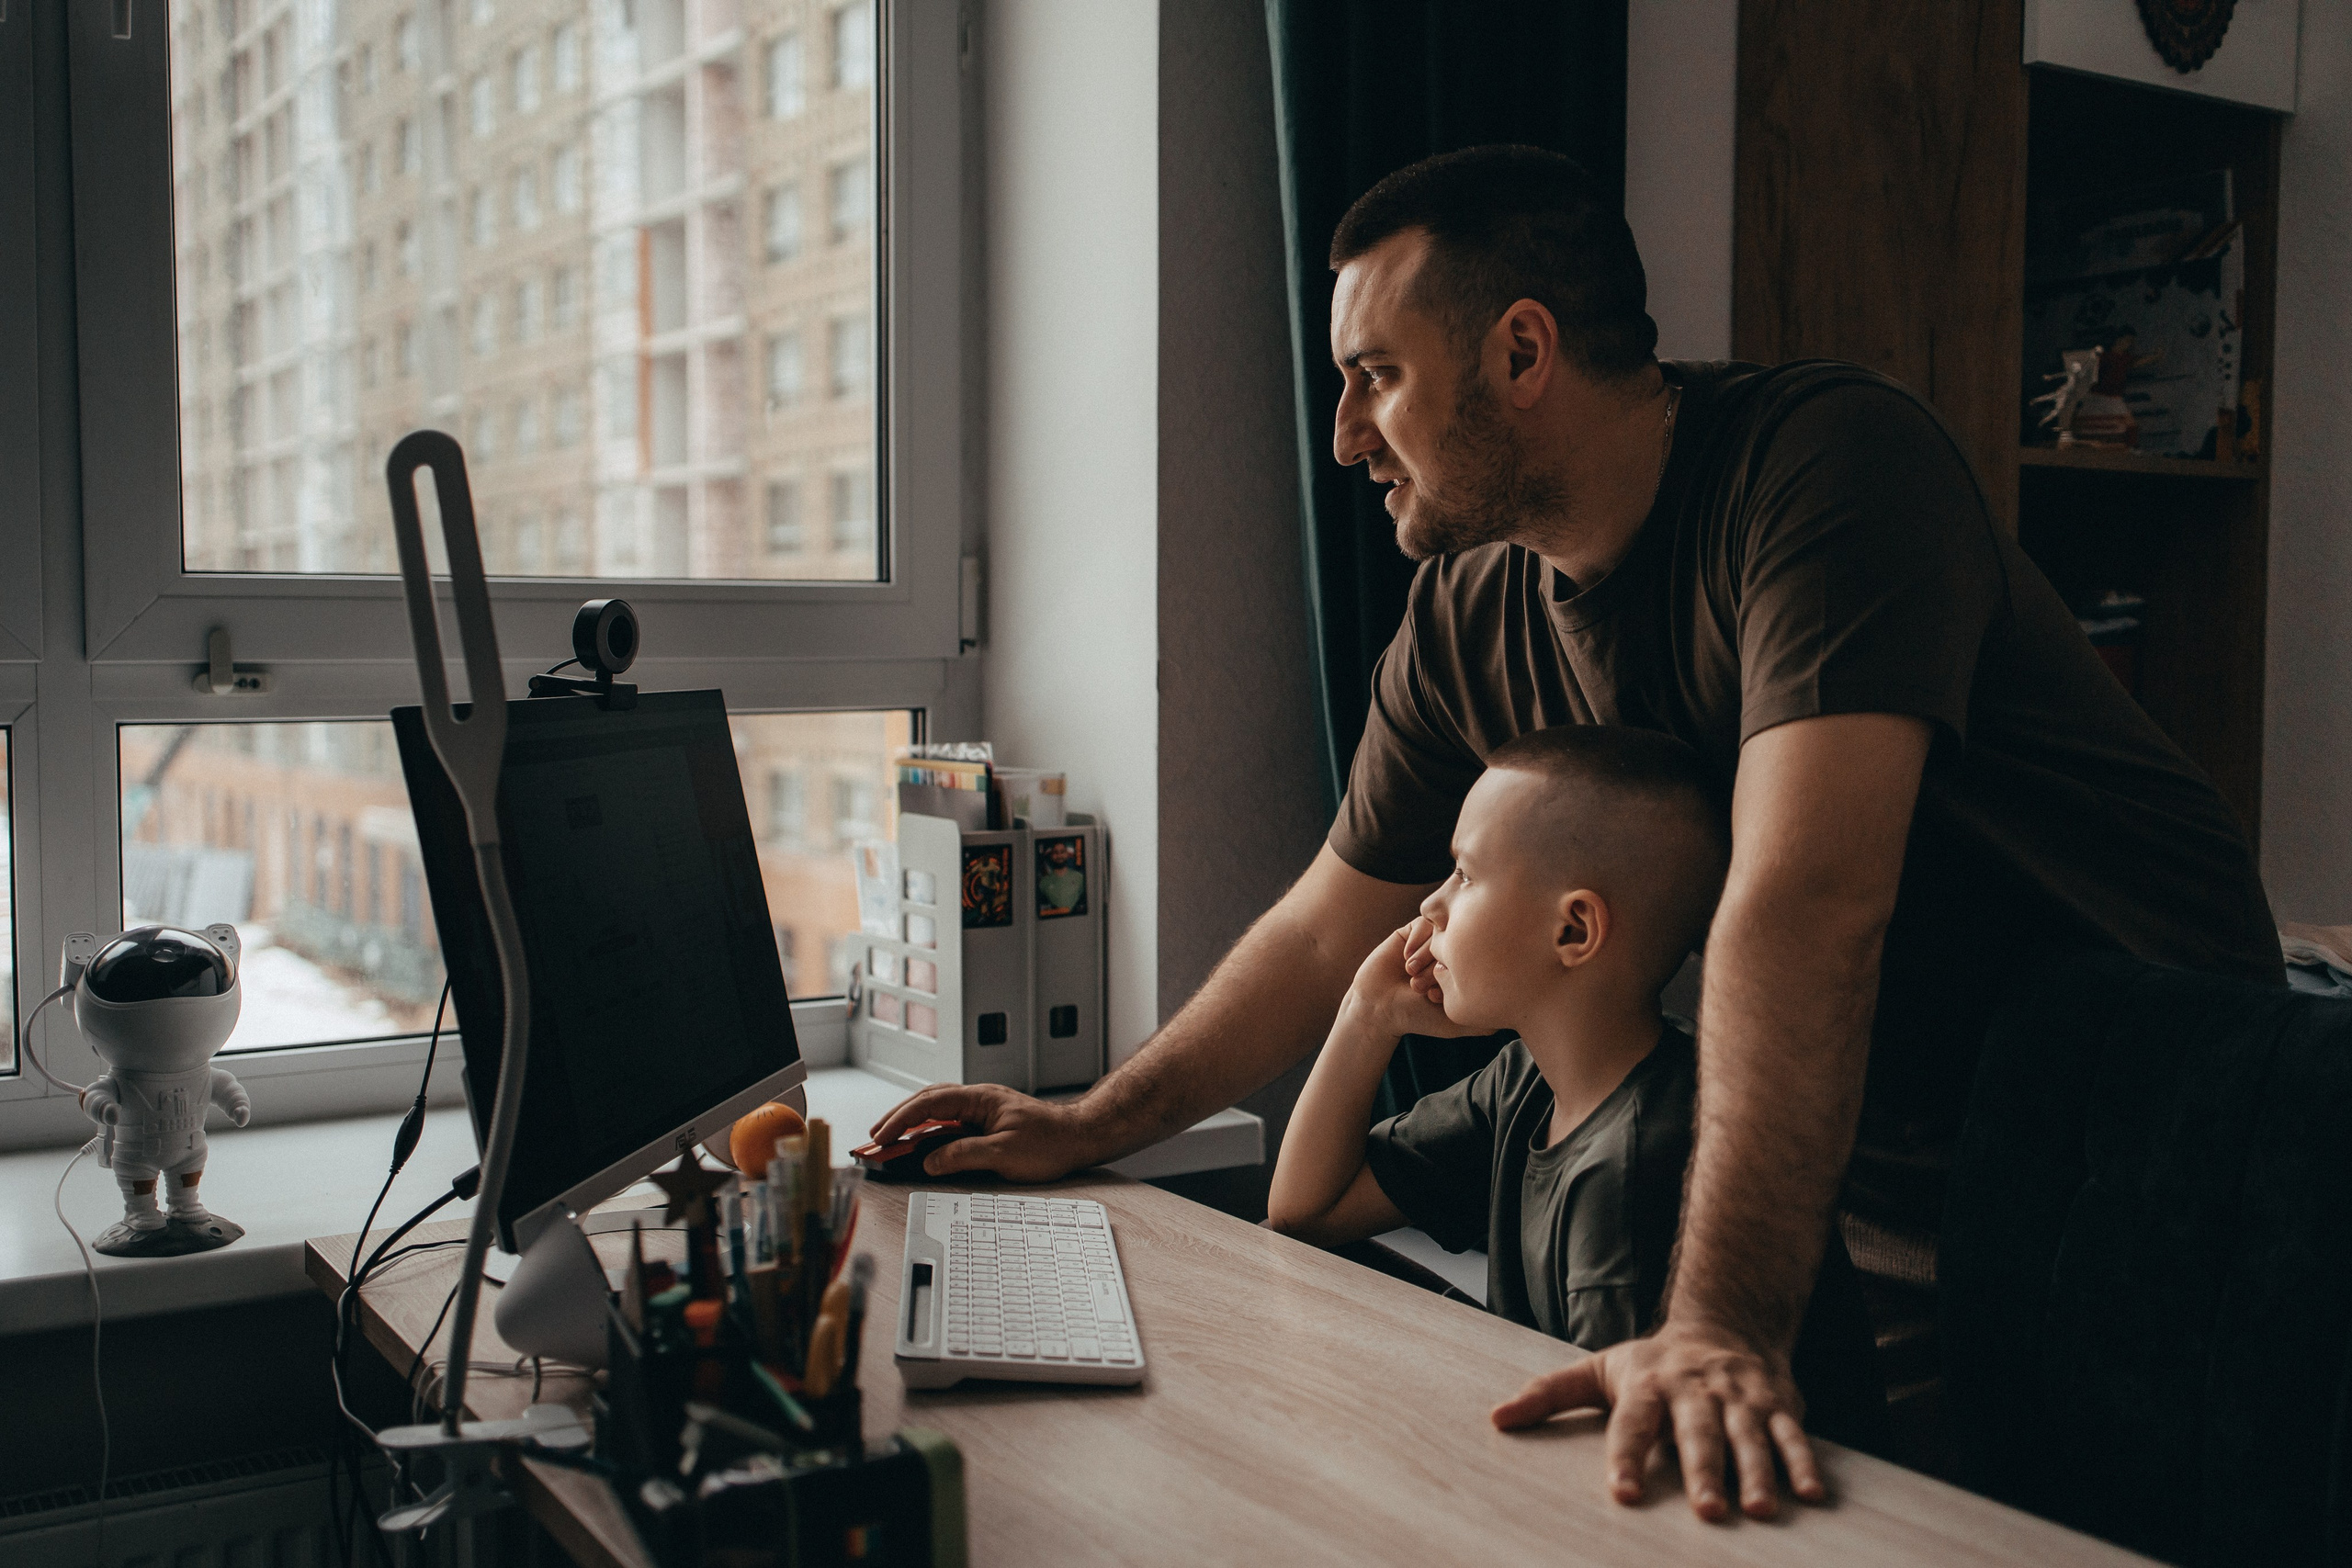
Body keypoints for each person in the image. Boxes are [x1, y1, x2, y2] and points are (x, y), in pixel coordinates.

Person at [871, 145, 2280, 1519]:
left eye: (1377, 377)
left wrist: (1718, 1320)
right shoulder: (1468, 612)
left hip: (2148, 1108)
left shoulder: (1829, 466)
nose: (1348, 433)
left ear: (1522, 352)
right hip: (1869, 1132)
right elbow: (1325, 922)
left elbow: (1803, 903)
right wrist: (1089, 1119)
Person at [1265, 727, 1887, 1453]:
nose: (1431, 906)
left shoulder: (1632, 1169)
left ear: (1575, 929)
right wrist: (1365, 1016)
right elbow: (1305, 1211)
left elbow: (1614, 1464)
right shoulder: (1526, 1083)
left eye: (1464, 875)